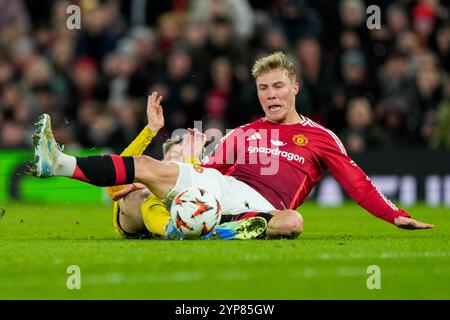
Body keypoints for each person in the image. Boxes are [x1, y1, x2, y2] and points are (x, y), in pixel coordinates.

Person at [31, 52, 433, 238]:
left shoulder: (321, 137)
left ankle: (218, 229)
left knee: (292, 222)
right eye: (263, 88)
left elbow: (357, 180)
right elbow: (214, 171)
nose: (271, 95)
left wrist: (393, 214)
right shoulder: (243, 132)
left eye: (278, 86)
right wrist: (184, 172)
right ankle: (58, 162)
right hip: (221, 188)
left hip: (262, 204)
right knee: (144, 166)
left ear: (294, 87)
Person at [108, 92, 267, 240]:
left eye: (183, 160)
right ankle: (174, 229)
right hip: (131, 218)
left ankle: (208, 231)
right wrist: (150, 130)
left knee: (199, 199)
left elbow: (196, 186)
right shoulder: (149, 172)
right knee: (146, 194)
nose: (180, 165)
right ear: (163, 159)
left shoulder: (204, 175)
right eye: (175, 157)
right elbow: (117, 175)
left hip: (180, 214)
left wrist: (193, 157)